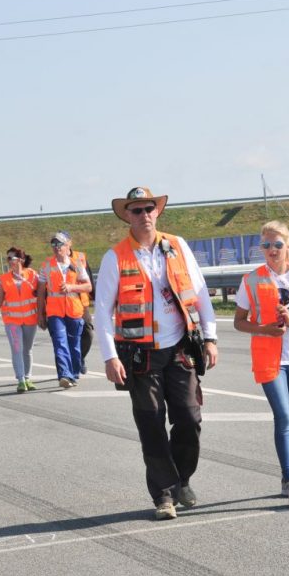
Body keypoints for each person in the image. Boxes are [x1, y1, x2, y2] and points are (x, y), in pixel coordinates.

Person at [95, 186, 219, 520]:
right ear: (127, 216)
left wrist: (210, 337)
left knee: (190, 418)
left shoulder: (177, 246)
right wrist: (110, 357)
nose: (144, 214)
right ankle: (163, 495)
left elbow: (201, 293)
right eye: (136, 210)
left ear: (157, 212)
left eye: (149, 208)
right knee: (151, 423)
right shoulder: (115, 257)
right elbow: (102, 311)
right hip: (140, 355)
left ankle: (182, 479)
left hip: (180, 348)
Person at [233, 220, 289, 506]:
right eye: (266, 245)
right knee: (284, 416)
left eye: (277, 245)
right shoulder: (252, 280)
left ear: (288, 246)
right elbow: (239, 322)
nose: (271, 250)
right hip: (270, 358)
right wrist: (264, 329)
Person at [37, 231, 92, 388]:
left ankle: (73, 374)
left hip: (74, 310)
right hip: (55, 312)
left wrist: (71, 287)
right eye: (53, 244)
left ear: (68, 245)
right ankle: (64, 375)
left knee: (74, 344)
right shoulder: (46, 265)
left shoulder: (76, 264)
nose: (56, 247)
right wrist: (40, 313)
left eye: (59, 244)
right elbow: (41, 292)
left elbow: (88, 286)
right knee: (60, 343)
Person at [0, 247, 39, 393]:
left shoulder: (33, 275)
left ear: (21, 260)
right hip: (12, 321)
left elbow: (41, 295)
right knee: (17, 349)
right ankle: (21, 380)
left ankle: (28, 378)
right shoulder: (4, 279)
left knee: (27, 350)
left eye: (12, 258)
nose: (9, 261)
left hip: (30, 319)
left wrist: (43, 315)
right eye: (7, 259)